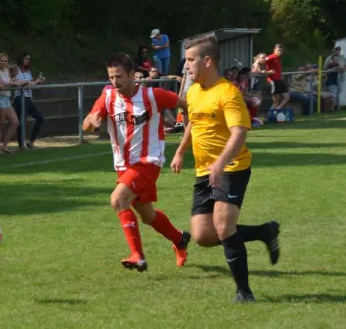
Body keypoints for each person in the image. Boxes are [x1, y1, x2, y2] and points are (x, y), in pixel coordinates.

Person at [170, 35, 280, 303]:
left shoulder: (227, 92)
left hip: (231, 167)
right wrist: (180, 151)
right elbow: (194, 124)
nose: (186, 66)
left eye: (190, 60)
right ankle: (264, 232)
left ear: (208, 61)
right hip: (204, 171)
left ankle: (244, 292)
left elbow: (239, 133)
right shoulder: (193, 92)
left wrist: (219, 163)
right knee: (203, 236)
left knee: (222, 225)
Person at [82, 52, 191, 272]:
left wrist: (185, 139)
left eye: (120, 76)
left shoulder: (153, 95)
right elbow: (87, 124)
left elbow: (187, 105)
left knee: (118, 199)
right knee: (147, 215)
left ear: (133, 75)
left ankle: (138, 255)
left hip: (148, 161)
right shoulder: (108, 98)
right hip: (124, 165)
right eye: (112, 77)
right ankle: (180, 239)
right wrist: (91, 122)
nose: (115, 82)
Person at [265, 44, 289, 110]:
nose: (280, 52)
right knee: (277, 101)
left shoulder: (278, 58)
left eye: (281, 51)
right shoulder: (271, 57)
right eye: (278, 50)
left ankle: (275, 111)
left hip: (278, 80)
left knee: (281, 99)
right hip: (273, 81)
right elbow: (262, 60)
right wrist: (264, 71)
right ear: (274, 50)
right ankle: (273, 112)